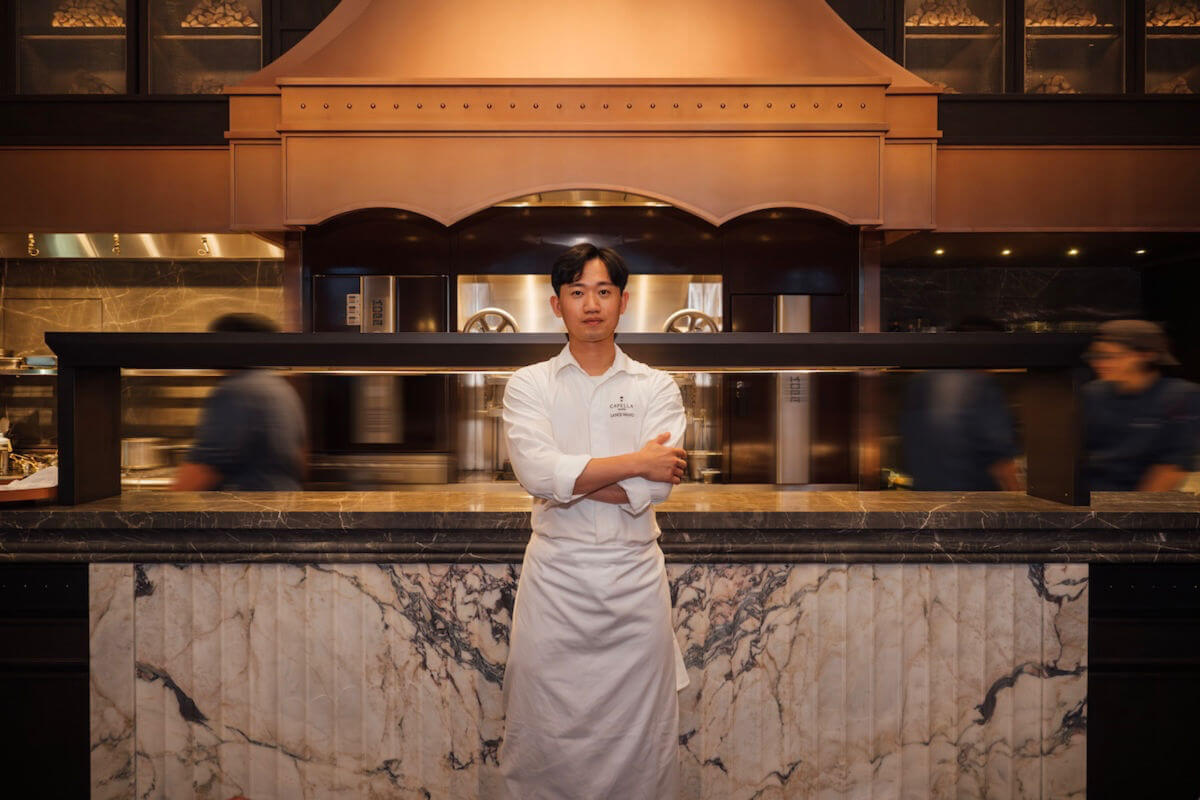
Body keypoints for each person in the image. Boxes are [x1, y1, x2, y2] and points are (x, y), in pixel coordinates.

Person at [499, 243, 689, 799]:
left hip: (634, 583)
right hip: (556, 581)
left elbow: (657, 488)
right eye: (577, 292)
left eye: (603, 291)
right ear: (556, 306)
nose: (591, 304)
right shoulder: (529, 384)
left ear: (624, 302)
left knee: (643, 738)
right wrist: (634, 462)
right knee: (543, 736)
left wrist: (572, 478)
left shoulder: (656, 386)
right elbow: (537, 474)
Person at [171, 313, 307, 491]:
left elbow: (204, 468)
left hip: (248, 513)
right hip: (282, 507)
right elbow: (302, 459)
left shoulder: (235, 391)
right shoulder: (281, 387)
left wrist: (160, 512)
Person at [900, 317, 1021, 491]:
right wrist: (1017, 502)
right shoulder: (982, 385)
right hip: (976, 503)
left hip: (926, 500)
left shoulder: (918, 382)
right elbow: (999, 459)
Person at [1083, 319, 1200, 492]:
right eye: (1096, 356)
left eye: (1111, 357)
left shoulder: (1180, 395)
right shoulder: (1092, 393)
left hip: (1139, 505)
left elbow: (1171, 468)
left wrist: (1128, 514)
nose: (1099, 363)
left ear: (1147, 354)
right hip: (1085, 499)